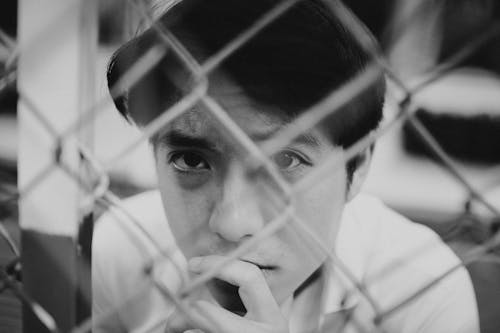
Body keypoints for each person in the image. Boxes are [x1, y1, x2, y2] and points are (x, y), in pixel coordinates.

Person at [92, 0, 479, 332]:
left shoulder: (424, 296)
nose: (233, 223)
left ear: (357, 165)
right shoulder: (122, 250)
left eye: (284, 161)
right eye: (191, 159)